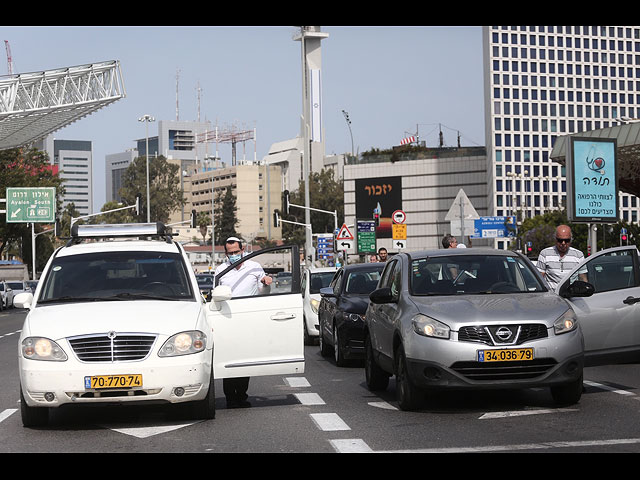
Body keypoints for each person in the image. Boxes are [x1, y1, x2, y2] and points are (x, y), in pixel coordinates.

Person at [214, 236, 273, 408]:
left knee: (244, 358)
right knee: (229, 359)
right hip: (227, 319)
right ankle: (230, 398)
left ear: (242, 251)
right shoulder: (221, 270)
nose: (233, 255)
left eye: (236, 252)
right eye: (230, 253)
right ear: (226, 253)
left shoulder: (254, 267)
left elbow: (263, 291)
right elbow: (215, 294)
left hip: (248, 318)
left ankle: (241, 395)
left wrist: (266, 282)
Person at [536, 225, 586, 290]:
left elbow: (583, 278)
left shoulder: (579, 255)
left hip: (573, 297)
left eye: (567, 240)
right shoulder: (545, 254)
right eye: (560, 240)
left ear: (571, 240)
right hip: (551, 297)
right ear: (555, 239)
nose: (563, 243)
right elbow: (539, 279)